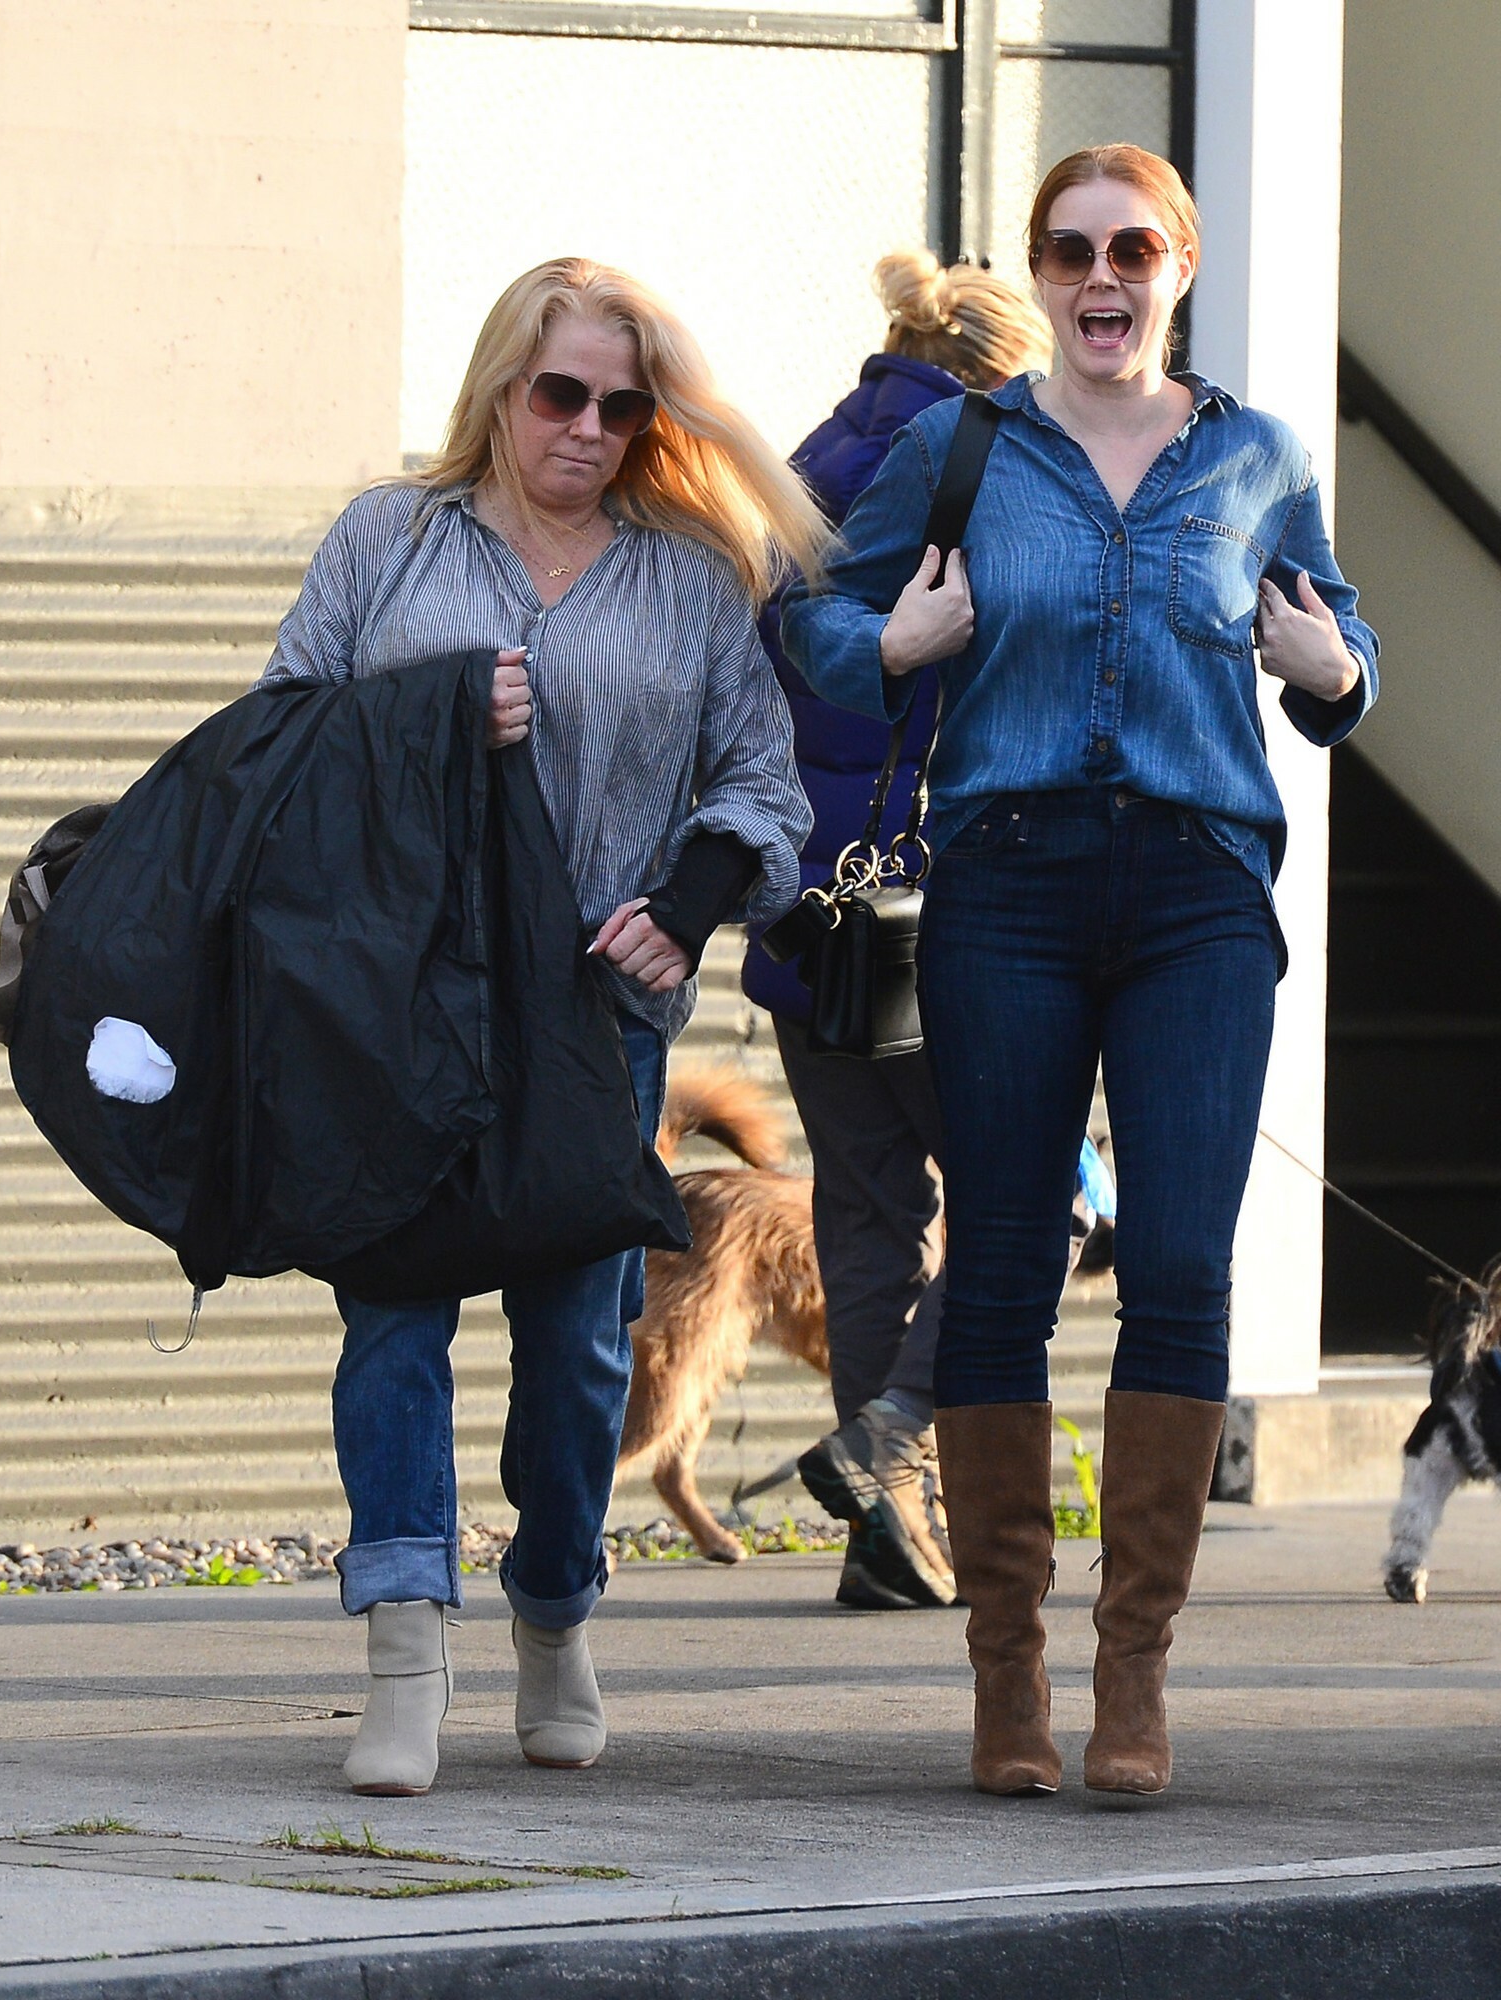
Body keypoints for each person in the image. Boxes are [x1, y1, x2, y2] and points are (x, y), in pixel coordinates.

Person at [782, 146, 1378, 1796]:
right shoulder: (959, 446)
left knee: (1179, 1262)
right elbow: (814, 616)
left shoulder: (1257, 455)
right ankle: (1006, 1677)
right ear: (1039, 274)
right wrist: (889, 645)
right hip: (1008, 891)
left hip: (1197, 894)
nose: (1099, 279)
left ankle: (1134, 1680)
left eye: (1130, 250)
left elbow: (1341, 640)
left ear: (1178, 263)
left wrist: (1335, 673)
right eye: (1069, 252)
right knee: (1003, 1271)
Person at [260, 257, 825, 1796]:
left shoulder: (692, 573)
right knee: (392, 1323)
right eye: (561, 395)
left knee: (578, 1349)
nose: (588, 429)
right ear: (502, 388)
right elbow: (281, 734)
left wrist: (689, 904)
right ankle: (403, 1651)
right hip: (401, 1006)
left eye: (623, 408)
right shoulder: (391, 541)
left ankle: (557, 1608)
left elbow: (762, 783)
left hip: (597, 1020)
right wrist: (434, 713)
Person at [744, 250, 1054, 1612]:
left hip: (803, 909)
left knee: (873, 1213)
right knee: (1035, 1195)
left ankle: (893, 1531)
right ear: (1003, 370)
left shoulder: (805, 464)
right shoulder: (977, 473)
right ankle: (898, 1433)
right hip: (930, 904)